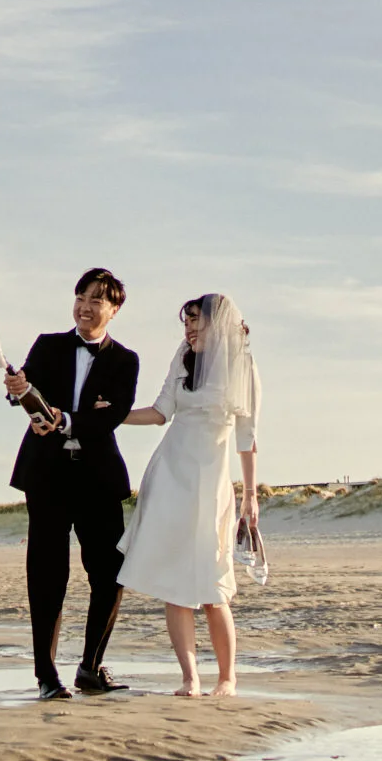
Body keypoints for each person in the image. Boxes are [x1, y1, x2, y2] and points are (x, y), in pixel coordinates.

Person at [3, 268, 143, 700]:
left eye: (96, 300)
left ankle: (90, 668)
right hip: (46, 476)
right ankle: (46, 675)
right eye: (81, 297)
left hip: (98, 479)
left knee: (111, 574)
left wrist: (67, 419)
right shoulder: (48, 345)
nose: (85, 307)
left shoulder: (126, 361)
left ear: (114, 309)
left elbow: (112, 416)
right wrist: (19, 388)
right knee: (47, 575)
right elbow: (26, 390)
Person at [116, 293, 261, 696]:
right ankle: (189, 678)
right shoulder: (183, 358)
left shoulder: (242, 365)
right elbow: (161, 411)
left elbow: (247, 438)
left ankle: (227, 678)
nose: (189, 330)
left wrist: (250, 495)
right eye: (186, 323)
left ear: (219, 324)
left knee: (214, 586)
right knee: (174, 582)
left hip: (212, 482)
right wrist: (113, 415)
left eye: (196, 321)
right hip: (170, 476)